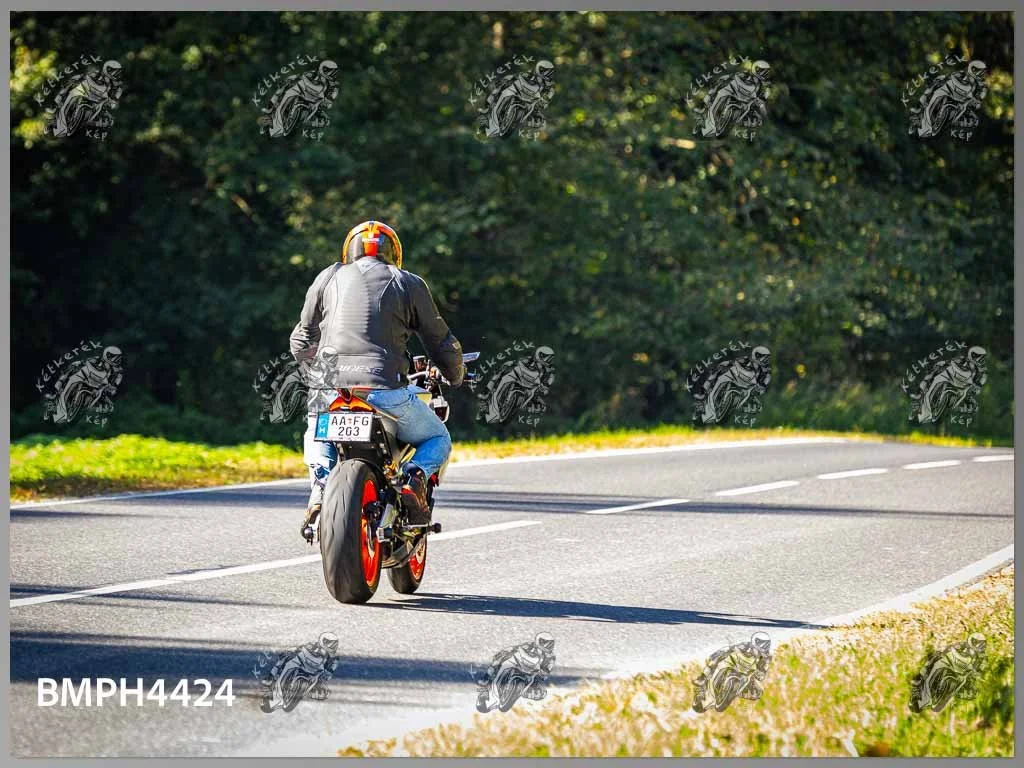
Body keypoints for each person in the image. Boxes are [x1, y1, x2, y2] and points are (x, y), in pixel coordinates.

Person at [290, 220, 465, 542]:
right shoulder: (407, 282)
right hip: (383, 389)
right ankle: (414, 478)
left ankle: (320, 487)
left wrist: (320, 376)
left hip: (331, 391)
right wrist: (455, 375)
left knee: (317, 430)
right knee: (437, 437)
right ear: (394, 253)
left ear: (349, 250)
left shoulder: (327, 277)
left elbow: (301, 341)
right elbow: (440, 342)